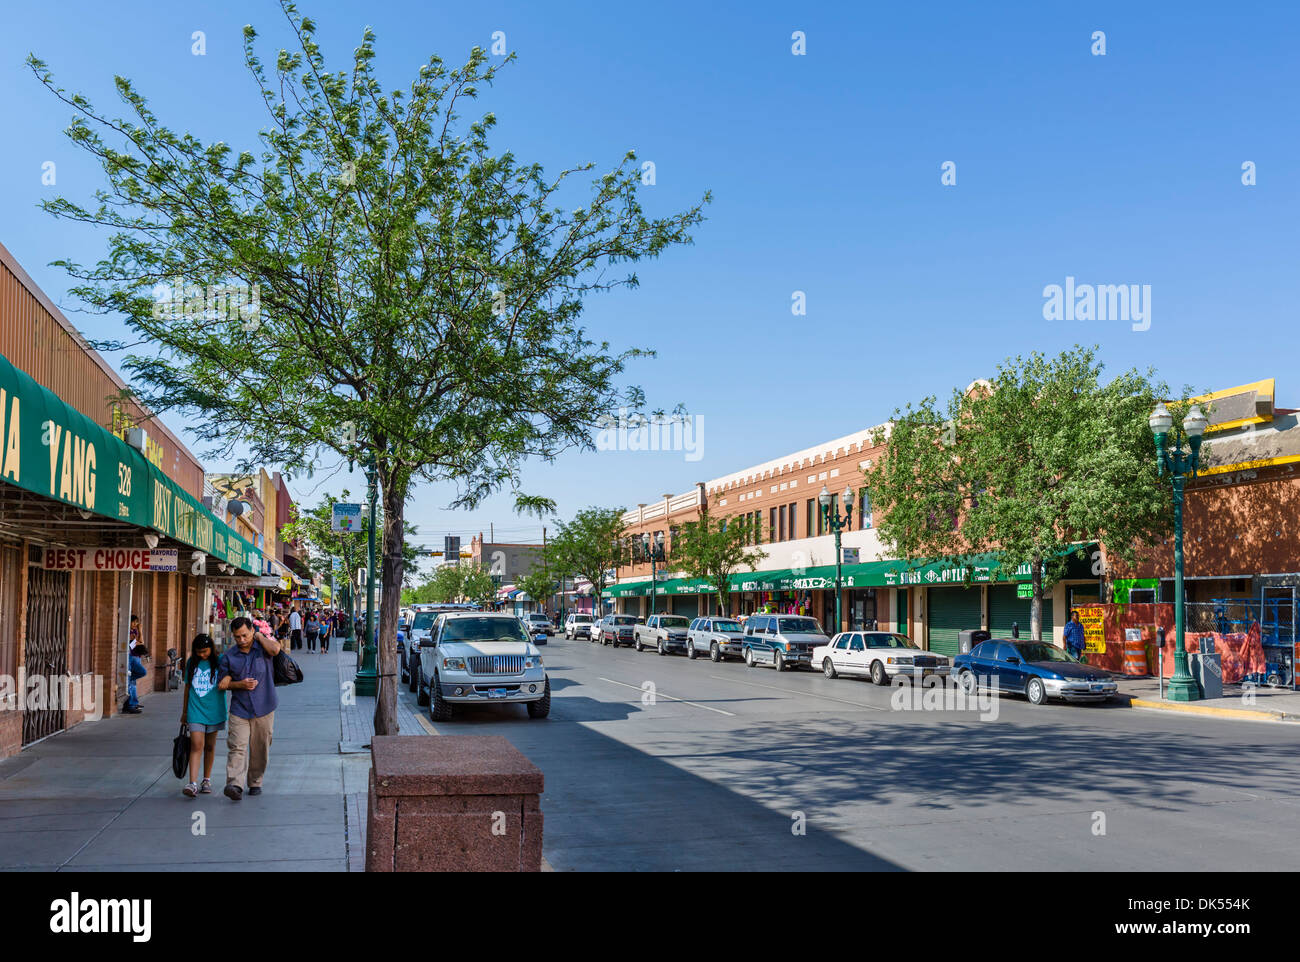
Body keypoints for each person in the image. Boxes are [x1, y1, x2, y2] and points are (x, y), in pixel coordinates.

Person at [218, 616, 282, 801]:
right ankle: (235, 784)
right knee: (237, 747)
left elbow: (276, 650)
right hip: (240, 708)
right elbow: (223, 684)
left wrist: (260, 637)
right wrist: (239, 684)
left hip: (264, 705)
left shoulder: (263, 649)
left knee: (260, 747)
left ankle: (255, 781)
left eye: (245, 635)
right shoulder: (229, 656)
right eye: (237, 637)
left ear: (252, 631)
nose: (242, 640)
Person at [181, 634, 227, 798]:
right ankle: (192, 783)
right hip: (195, 709)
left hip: (214, 709)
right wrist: (185, 712)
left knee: (209, 746)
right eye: (199, 652)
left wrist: (227, 678)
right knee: (196, 745)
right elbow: (187, 688)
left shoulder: (220, 661)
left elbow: (231, 674)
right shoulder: (191, 663)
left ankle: (206, 780)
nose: (202, 655)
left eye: (205, 651)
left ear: (211, 648)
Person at [124, 615, 148, 714]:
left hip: (137, 657)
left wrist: (140, 631)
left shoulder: (135, 631)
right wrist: (137, 641)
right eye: (133, 622)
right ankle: (131, 704)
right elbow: (132, 644)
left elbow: (141, 641)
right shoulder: (127, 631)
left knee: (132, 682)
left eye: (136, 622)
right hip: (130, 657)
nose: (135, 624)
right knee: (142, 672)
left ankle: (133, 703)